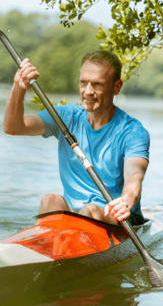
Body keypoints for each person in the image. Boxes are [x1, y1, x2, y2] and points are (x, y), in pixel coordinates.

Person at [2, 50, 150, 226]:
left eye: (97, 84)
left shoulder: (132, 131)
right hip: (76, 215)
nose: (88, 91)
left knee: (91, 210)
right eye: (83, 82)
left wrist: (125, 201)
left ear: (117, 87)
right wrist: (19, 87)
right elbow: (13, 127)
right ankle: (49, 246)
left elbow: (135, 175)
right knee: (49, 200)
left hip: (118, 217)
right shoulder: (64, 117)